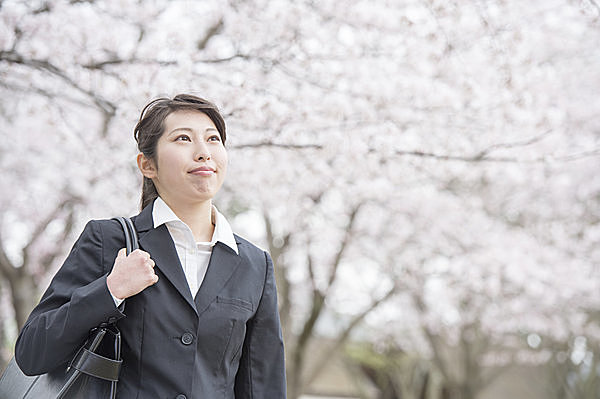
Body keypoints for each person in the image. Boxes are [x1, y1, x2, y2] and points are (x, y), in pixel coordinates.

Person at [15, 94, 287, 398]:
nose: (203, 153)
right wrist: (110, 290)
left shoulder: (254, 265)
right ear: (147, 165)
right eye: (183, 138)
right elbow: (32, 352)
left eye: (213, 139)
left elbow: (263, 386)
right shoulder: (108, 240)